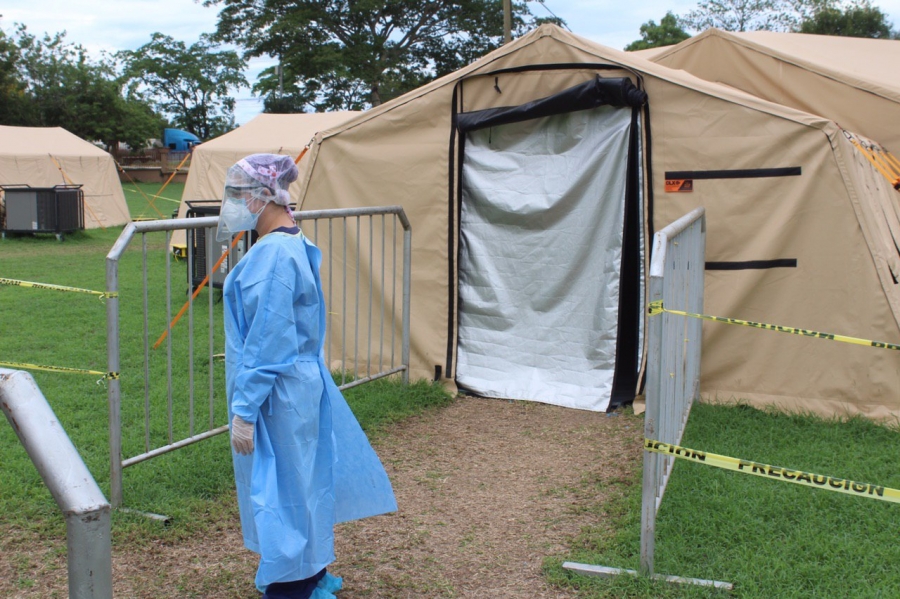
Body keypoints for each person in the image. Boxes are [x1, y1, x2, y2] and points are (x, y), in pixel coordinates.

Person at [218, 154, 397, 599]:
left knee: (282, 491)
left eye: (241, 192)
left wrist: (244, 408)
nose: (236, 202)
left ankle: (291, 587)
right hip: (295, 387)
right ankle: (311, 574)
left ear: (263, 195)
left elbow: (267, 341)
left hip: (278, 393)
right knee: (304, 482)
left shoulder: (274, 254)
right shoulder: (289, 242)